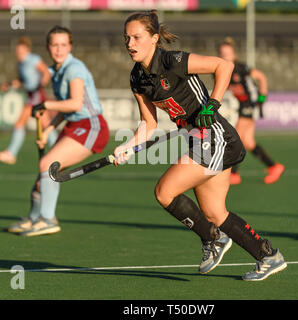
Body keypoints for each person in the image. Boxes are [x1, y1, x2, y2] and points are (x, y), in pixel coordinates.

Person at [114, 10, 286, 281]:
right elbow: (149, 123)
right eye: (127, 38)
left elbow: (223, 66)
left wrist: (212, 103)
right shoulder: (137, 78)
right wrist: (127, 147)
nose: (130, 44)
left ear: (154, 39)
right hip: (200, 139)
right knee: (215, 213)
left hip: (215, 136)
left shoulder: (172, 60)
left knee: (164, 192)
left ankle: (212, 239)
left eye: (137, 37)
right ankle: (268, 256)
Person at [8, 26, 110, 236]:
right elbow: (64, 110)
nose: (59, 49)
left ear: (70, 46)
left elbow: (74, 104)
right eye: (54, 45)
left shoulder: (75, 69)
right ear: (48, 47)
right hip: (73, 126)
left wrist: (46, 105)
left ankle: (48, 219)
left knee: (48, 165)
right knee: (41, 179)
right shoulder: (55, 71)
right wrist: (48, 131)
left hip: (91, 126)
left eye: (63, 45)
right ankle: (34, 218)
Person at [218, 37, 285, 185]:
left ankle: (234, 174)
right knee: (248, 142)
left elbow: (261, 76)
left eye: (228, 54)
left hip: (250, 104)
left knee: (236, 137)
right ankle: (274, 167)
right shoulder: (221, 69)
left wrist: (262, 97)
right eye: (223, 53)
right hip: (243, 106)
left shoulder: (240, 68)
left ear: (234, 54)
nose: (225, 56)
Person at [0, 36, 58, 165]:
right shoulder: (21, 63)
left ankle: (12, 153)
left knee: (22, 122)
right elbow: (22, 81)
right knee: (45, 125)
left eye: (21, 51)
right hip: (31, 95)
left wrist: (41, 85)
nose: (18, 53)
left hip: (37, 94)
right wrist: (8, 85)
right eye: (17, 51)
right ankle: (58, 151)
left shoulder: (33, 59)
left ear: (27, 50)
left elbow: (45, 72)